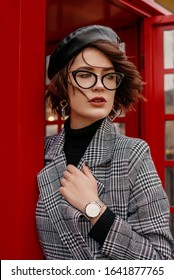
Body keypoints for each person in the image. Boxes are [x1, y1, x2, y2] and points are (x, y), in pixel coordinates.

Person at [36, 25, 174, 260]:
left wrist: (95, 210)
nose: (100, 84)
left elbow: (161, 262)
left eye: (108, 76)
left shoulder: (133, 153)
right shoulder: (41, 150)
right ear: (63, 85)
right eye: (86, 74)